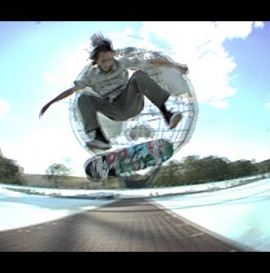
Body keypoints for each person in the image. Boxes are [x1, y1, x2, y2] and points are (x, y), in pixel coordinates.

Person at [39, 33, 188, 149]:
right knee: (83, 97)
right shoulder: (90, 75)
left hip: (131, 101)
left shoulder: (122, 63)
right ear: (95, 61)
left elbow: (151, 62)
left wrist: (176, 66)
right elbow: (71, 90)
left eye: (110, 59)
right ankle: (100, 138)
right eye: (103, 61)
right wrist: (50, 103)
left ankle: (167, 114)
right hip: (114, 109)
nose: (108, 64)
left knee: (139, 75)